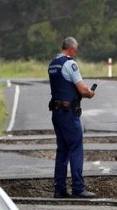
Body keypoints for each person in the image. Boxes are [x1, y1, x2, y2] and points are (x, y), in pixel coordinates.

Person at [48, 36, 96, 198]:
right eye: (75, 51)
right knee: (76, 147)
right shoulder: (70, 63)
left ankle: (59, 188)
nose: (76, 54)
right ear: (70, 49)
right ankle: (78, 187)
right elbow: (82, 90)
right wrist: (90, 93)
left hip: (56, 112)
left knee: (62, 149)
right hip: (68, 113)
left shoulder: (53, 63)